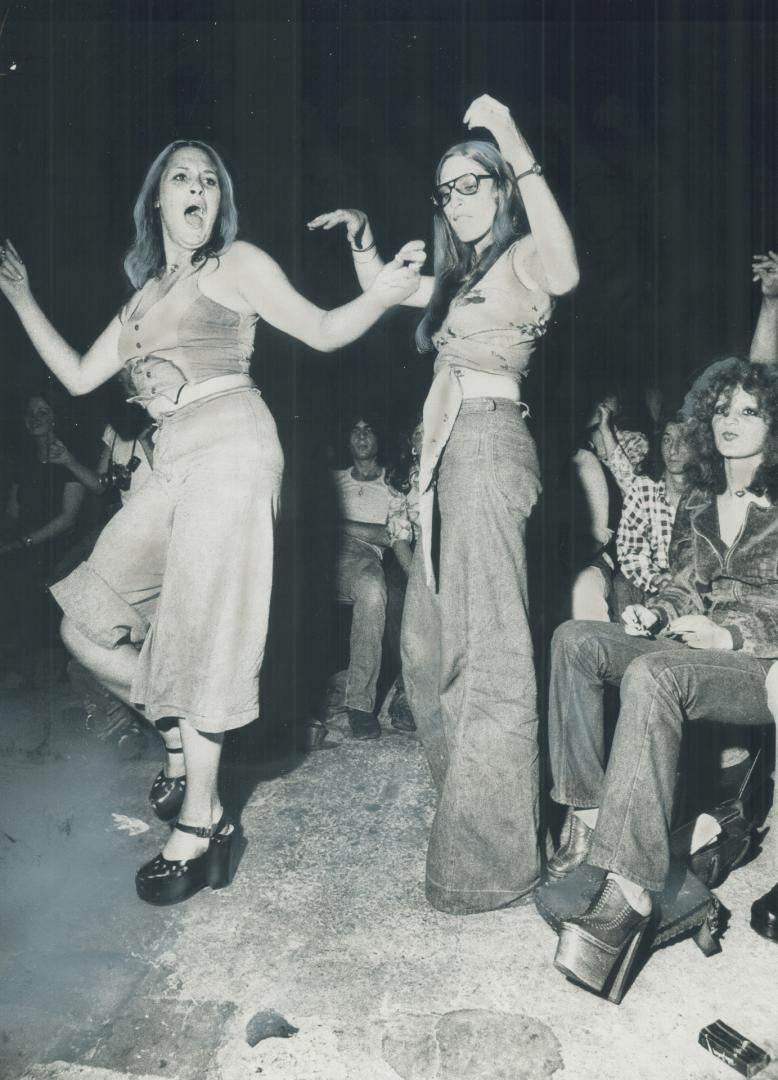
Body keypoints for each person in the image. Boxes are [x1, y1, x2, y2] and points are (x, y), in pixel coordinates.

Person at [0, 139, 423, 906]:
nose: (196, 188)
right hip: (168, 463)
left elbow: (324, 328)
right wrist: (22, 295)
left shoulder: (236, 265)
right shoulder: (138, 303)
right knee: (85, 622)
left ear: (217, 202)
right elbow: (75, 376)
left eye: (208, 180)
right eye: (180, 178)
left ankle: (203, 822)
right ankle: (179, 741)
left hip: (231, 443)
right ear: (156, 201)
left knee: (201, 636)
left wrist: (386, 291)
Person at [310, 94, 579, 912]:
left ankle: (493, 861)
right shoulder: (457, 279)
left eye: (472, 183)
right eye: (446, 189)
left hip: (491, 443)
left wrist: (510, 137)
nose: (457, 199)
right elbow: (384, 289)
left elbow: (569, 270)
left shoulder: (528, 257)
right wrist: (362, 235)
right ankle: (478, 814)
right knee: (424, 652)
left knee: (488, 653)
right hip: (439, 456)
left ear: (502, 187)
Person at [545, 358, 778, 1000]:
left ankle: (630, 889)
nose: (731, 421)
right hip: (694, 646)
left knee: (650, 675)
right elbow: (682, 581)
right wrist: (663, 610)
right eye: (723, 409)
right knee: (576, 641)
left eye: (750, 411)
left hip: (758, 663)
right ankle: (590, 820)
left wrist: (729, 634)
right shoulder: (700, 497)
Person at [331, 411, 411, 740]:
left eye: (369, 430)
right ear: (347, 440)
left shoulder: (392, 486)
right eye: (355, 430)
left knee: (374, 588)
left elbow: (391, 535)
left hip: (363, 559)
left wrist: (341, 525)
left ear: (378, 439)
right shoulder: (333, 479)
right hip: (322, 553)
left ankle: (360, 706)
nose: (362, 436)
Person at [0, 394, 86, 686]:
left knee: (17, 573)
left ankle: (19, 667)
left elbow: (68, 518)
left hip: (58, 541)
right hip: (24, 538)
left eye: (42, 412)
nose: (34, 418)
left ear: (55, 418)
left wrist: (20, 543)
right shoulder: (23, 461)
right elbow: (12, 510)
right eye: (29, 413)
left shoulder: (68, 458)